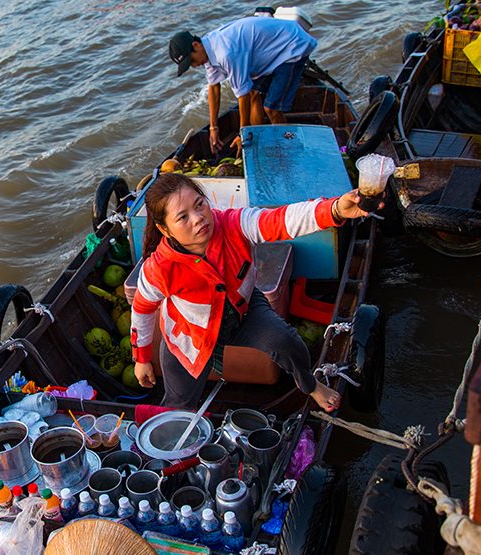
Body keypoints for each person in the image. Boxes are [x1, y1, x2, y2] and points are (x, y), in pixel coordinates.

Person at [129, 173, 377, 411]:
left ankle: (311, 385)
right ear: (165, 229)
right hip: (189, 335)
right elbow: (142, 309)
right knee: (178, 403)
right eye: (183, 217)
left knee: (287, 342)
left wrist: (334, 210)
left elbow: (280, 220)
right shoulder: (158, 268)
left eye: (200, 204)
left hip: (244, 311)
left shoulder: (234, 224)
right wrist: (141, 358)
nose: (199, 218)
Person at [168, 17, 317, 154]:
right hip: (270, 49)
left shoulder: (225, 53)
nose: (194, 66)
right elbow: (214, 87)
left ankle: (291, 148)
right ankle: (256, 140)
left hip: (291, 45)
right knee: (253, 93)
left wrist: (242, 134)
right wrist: (214, 127)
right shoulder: (207, 50)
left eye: (191, 61)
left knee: (271, 109)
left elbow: (242, 95)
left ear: (196, 45)